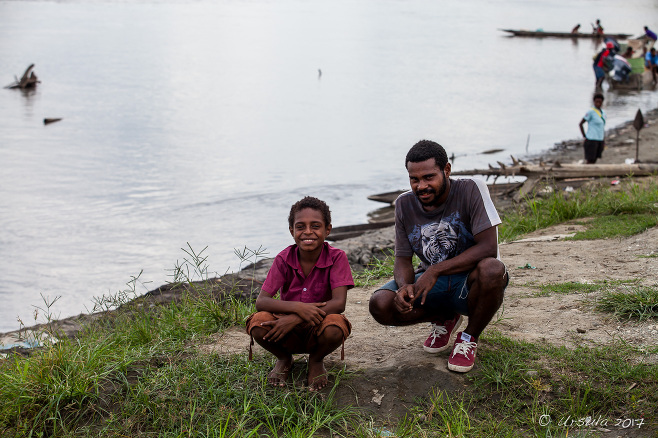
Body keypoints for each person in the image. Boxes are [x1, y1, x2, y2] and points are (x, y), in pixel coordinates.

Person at [368, 140, 508, 373]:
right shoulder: (404, 203)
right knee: (380, 303)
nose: (421, 185)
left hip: (471, 284)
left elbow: (488, 248)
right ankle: (445, 317)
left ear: (447, 170)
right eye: (415, 179)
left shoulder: (472, 188)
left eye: (429, 177)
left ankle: (469, 337)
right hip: (435, 287)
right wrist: (404, 287)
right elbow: (402, 259)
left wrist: (435, 270)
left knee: (493, 269)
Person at [245, 196, 354, 391]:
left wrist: (296, 318)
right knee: (258, 323)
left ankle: (316, 360)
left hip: (319, 327)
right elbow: (262, 301)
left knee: (336, 326)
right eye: (300, 226)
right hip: (284, 330)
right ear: (292, 231)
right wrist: (297, 308)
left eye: (316, 226)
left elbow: (339, 303)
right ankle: (284, 358)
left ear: (327, 229)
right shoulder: (283, 259)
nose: (308, 232)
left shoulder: (337, 257)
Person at [579, 93, 606, 164]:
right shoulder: (591, 112)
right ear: (594, 102)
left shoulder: (603, 113)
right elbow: (581, 124)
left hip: (600, 139)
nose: (598, 104)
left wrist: (603, 139)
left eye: (600, 102)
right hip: (591, 139)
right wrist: (584, 136)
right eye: (596, 102)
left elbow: (602, 127)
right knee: (590, 159)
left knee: (595, 159)